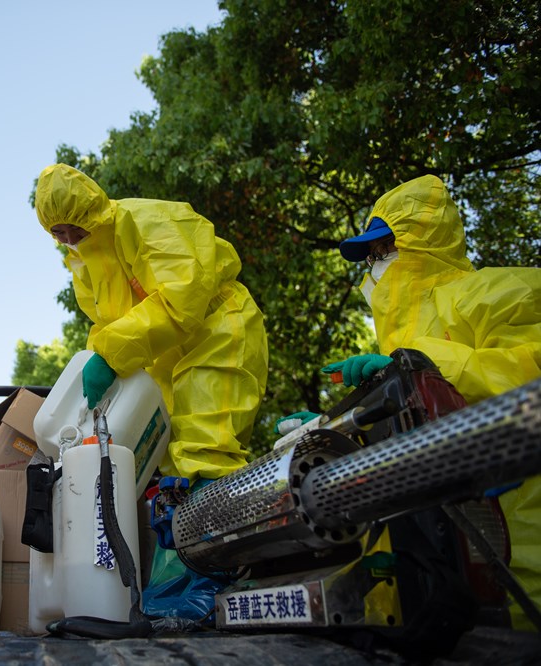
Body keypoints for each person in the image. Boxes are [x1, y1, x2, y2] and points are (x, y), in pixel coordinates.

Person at [323, 174, 541, 630]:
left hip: (524, 565)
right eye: (370, 255)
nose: (376, 262)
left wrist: (419, 366)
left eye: (384, 248)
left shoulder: (502, 292)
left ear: (421, 242)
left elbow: (527, 378)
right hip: (436, 586)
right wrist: (334, 430)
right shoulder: (397, 339)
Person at [33, 163, 269, 483]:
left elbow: (182, 302)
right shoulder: (83, 263)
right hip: (163, 353)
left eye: (76, 226)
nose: (70, 237)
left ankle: (228, 525)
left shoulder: (146, 220)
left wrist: (109, 355)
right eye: (58, 232)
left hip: (216, 331)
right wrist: (96, 361)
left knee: (207, 445)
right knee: (168, 455)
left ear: (92, 210)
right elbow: (108, 323)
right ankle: (184, 526)